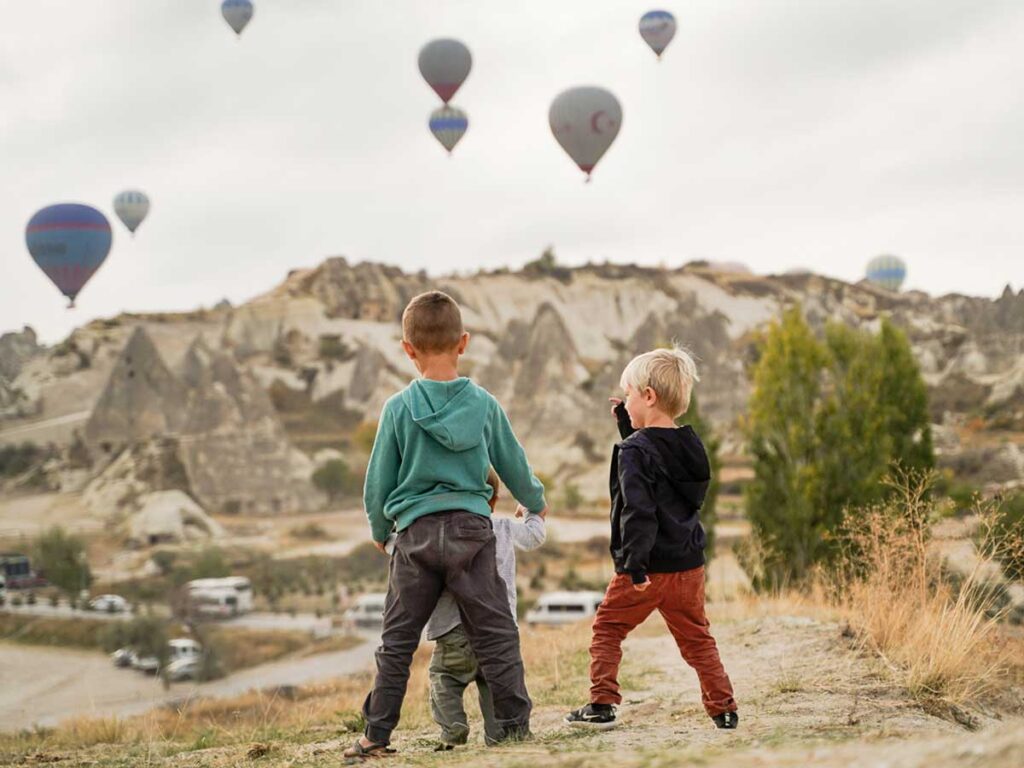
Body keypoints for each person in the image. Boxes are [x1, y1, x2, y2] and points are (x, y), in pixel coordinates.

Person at [345, 291, 548, 759]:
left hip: (414, 535)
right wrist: (536, 501)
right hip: (470, 533)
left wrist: (380, 530)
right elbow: (513, 466)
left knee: (396, 640)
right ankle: (514, 729)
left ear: (407, 349)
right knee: (496, 634)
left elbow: (378, 480)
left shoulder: (397, 408)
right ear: (464, 343)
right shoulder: (484, 405)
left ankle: (375, 735)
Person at [565, 346, 738, 730]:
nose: (625, 400)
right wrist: (628, 429)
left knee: (608, 627)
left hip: (646, 567)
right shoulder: (691, 445)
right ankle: (723, 707)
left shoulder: (633, 452)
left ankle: (602, 703)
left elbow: (639, 509)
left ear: (648, 396)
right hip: (689, 564)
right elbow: (663, 469)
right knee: (697, 639)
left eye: (628, 394)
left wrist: (635, 566)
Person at [426, 468, 546, 749]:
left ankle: (452, 726)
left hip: (453, 628)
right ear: (492, 500)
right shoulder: (502, 527)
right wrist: (533, 509)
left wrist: (386, 538)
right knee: (496, 685)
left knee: (444, 678)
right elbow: (534, 536)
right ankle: (498, 735)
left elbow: (402, 548)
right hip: (499, 629)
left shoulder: (438, 534)